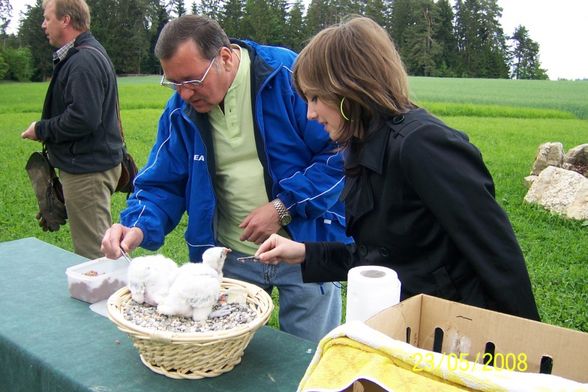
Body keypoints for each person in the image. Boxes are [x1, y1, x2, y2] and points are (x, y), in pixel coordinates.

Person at [255, 16, 540, 321]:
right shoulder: (360, 148)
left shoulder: (423, 145)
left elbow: (497, 255)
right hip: (407, 323)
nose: (310, 113)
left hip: (457, 329)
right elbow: (376, 258)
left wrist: (526, 352)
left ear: (348, 87)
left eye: (315, 98)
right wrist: (304, 252)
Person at [100, 15, 351, 341]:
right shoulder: (180, 110)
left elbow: (340, 155)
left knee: (309, 358)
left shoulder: (288, 76)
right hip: (231, 259)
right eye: (174, 83)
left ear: (226, 57)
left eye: (192, 80)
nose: (185, 94)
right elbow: (161, 182)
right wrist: (137, 224)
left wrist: (282, 207)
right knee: (229, 361)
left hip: (305, 249)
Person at [21, 0, 123, 259]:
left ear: (65, 20)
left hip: (87, 171)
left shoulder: (83, 61)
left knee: (95, 255)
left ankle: (111, 299)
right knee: (100, 246)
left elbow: (83, 118)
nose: (43, 25)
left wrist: (40, 129)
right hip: (91, 164)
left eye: (47, 18)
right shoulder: (86, 53)